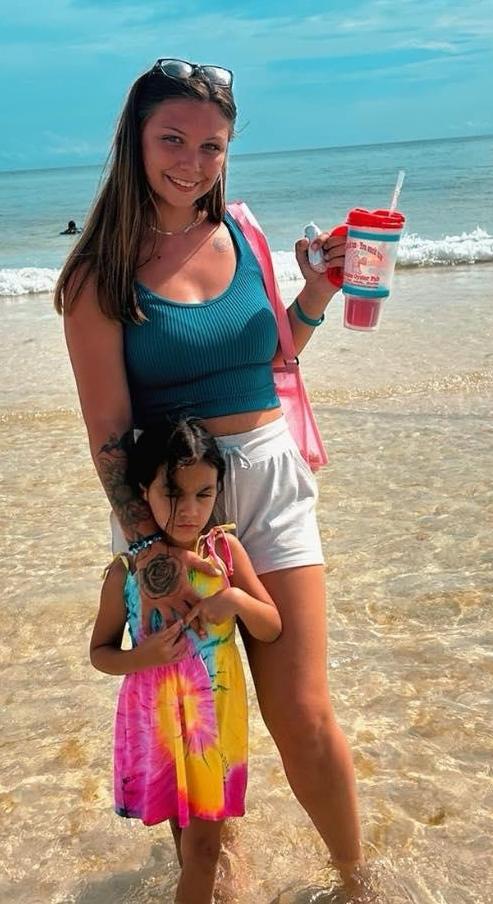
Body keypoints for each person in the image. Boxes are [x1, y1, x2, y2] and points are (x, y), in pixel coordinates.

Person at [54, 58, 367, 895]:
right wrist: (152, 551)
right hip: (170, 507)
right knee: (192, 712)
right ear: (135, 140)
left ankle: (357, 880)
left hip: (268, 478)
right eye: (173, 139)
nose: (192, 162)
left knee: (301, 712)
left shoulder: (243, 233)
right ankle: (214, 871)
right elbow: (108, 436)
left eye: (212, 146)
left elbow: (272, 361)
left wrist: (315, 293)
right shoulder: (97, 274)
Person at [90, 417, 281, 904]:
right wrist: (144, 656)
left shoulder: (224, 554)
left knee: (203, 849)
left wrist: (234, 600)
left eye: (203, 493)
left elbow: (271, 626)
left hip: (213, 723)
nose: (189, 509)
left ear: (219, 490)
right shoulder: (125, 573)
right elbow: (101, 653)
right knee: (187, 841)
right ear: (143, 492)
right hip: (158, 723)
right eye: (172, 493)